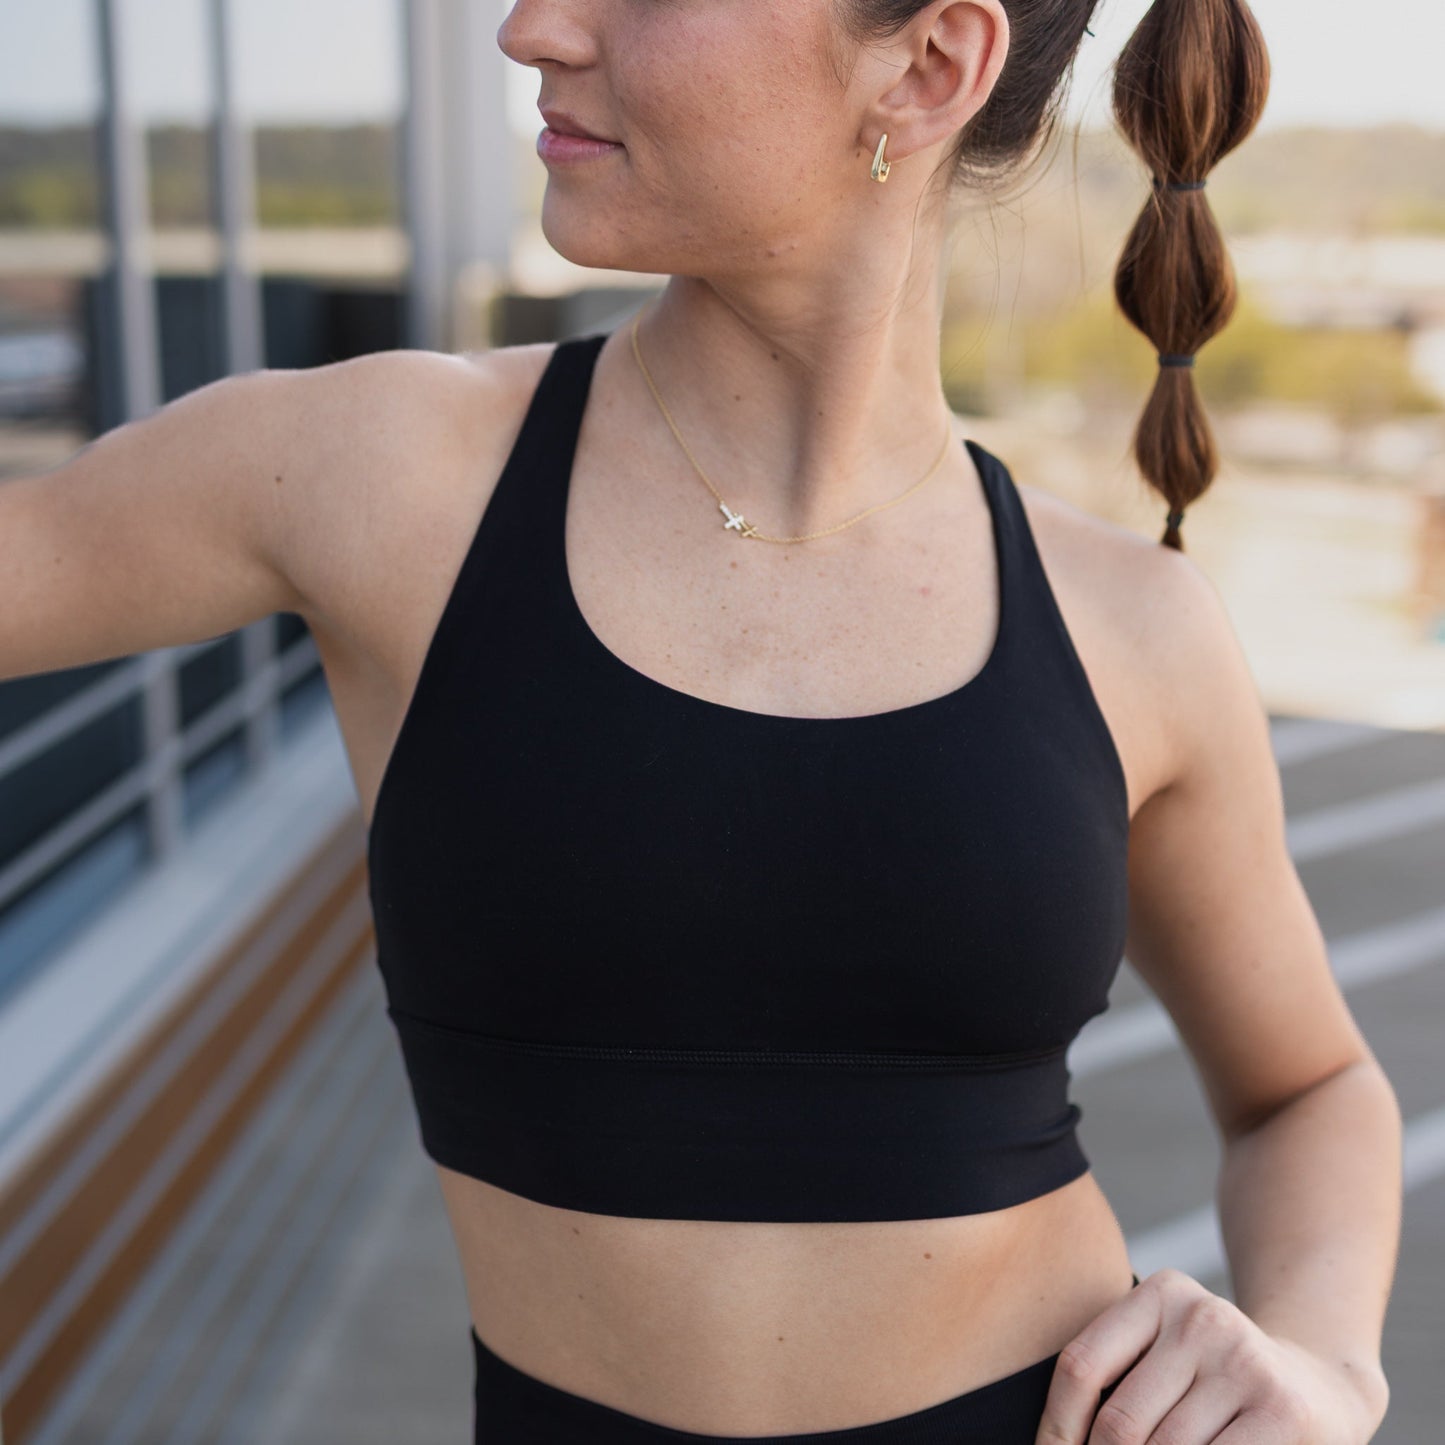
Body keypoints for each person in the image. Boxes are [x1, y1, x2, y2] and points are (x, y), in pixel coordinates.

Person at [0, 0, 1402, 1441]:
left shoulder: (1134, 627)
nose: (529, 28)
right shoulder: (376, 480)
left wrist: (1320, 1358)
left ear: (925, 69)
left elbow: (1308, 1088)